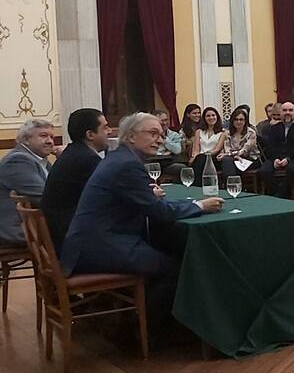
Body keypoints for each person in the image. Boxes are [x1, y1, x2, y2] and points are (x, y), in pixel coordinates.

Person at [60, 112, 222, 323]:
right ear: (131, 136)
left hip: (94, 241)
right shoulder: (127, 164)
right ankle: (147, 329)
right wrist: (199, 205)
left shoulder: (120, 157)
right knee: (178, 267)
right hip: (101, 246)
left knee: (167, 248)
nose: (160, 140)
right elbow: (159, 212)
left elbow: (151, 204)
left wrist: (189, 205)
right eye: (153, 133)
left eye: (161, 135)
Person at [40, 108, 109, 253]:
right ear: (90, 134)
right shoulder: (87, 159)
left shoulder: (74, 153)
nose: (109, 132)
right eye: (105, 127)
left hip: (62, 235)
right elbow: (110, 196)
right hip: (73, 244)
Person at [0, 118, 56, 246]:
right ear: (26, 139)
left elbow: (57, 191)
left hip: (33, 226)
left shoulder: (42, 161)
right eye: (43, 136)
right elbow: (45, 199)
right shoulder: (17, 161)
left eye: (52, 137)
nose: (50, 141)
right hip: (18, 231)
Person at [257, 101, 294, 198]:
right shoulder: (273, 128)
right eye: (284, 110)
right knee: (264, 171)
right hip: (274, 158)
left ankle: (281, 195)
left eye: (290, 110)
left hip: (292, 158)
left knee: (292, 169)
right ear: (281, 113)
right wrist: (276, 159)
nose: (287, 112)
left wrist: (287, 159)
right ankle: (278, 192)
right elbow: (270, 146)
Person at [220, 109, 260, 180]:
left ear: (245, 121)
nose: (238, 122)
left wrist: (234, 155)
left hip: (250, 159)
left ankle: (230, 183)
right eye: (236, 119)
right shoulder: (228, 133)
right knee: (227, 161)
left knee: (229, 164)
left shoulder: (251, 133)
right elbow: (227, 149)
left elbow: (245, 149)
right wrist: (233, 156)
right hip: (233, 159)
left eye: (241, 119)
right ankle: (233, 183)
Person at [189, 107, 227, 178]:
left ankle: (196, 182)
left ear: (217, 117)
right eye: (208, 116)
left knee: (201, 158)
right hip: (200, 158)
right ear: (204, 118)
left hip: (213, 157)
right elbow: (196, 150)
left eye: (213, 115)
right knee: (199, 159)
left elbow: (217, 149)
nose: (211, 117)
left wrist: (206, 154)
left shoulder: (223, 132)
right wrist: (193, 157)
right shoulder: (199, 132)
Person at [150, 109, 183, 175]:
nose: (165, 123)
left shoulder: (174, 135)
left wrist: (164, 139)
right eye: (162, 121)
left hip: (167, 163)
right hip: (151, 162)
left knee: (181, 168)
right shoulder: (148, 135)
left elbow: (177, 150)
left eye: (166, 120)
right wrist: (163, 154)